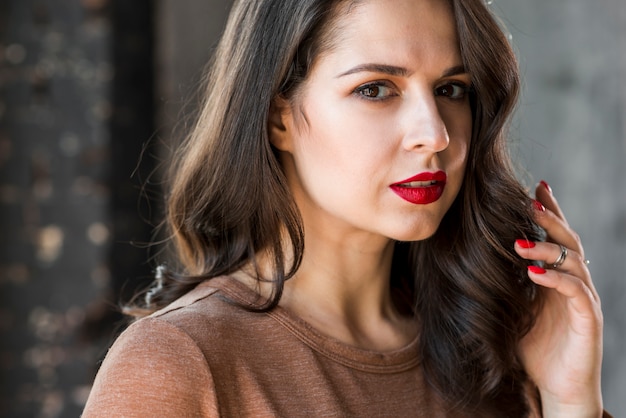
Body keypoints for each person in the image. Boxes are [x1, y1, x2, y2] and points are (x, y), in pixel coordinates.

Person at [82, 0, 609, 416]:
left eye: (451, 88)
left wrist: (569, 403)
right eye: (376, 89)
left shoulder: (493, 354)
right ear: (277, 118)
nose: (435, 134)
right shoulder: (178, 366)